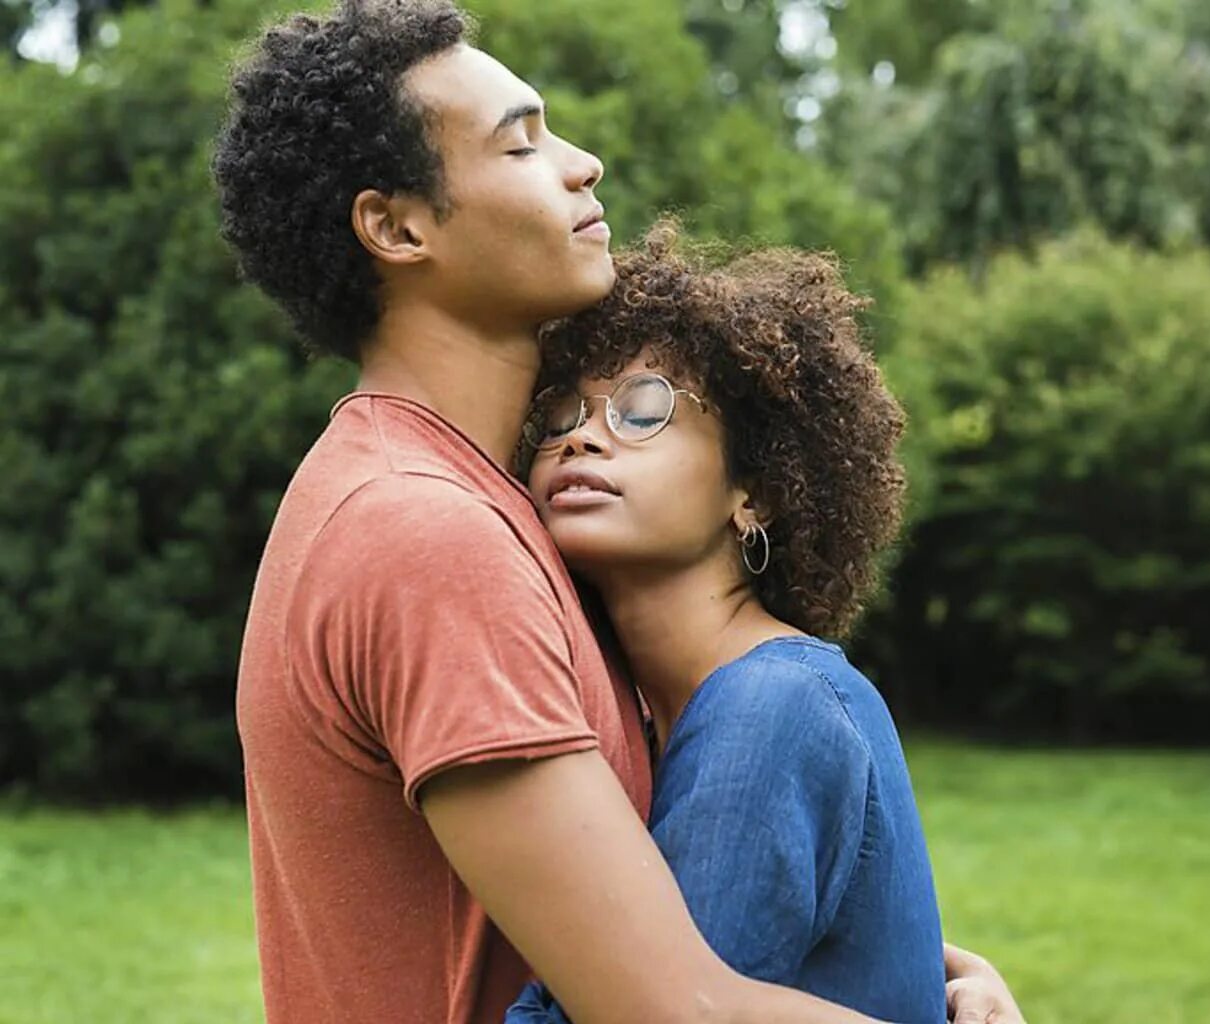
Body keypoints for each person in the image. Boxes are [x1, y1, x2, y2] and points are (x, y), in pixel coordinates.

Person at [215, 1, 1025, 1022]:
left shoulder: (476, 510)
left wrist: (905, 957)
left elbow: (650, 906)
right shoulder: (427, 534)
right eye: (522, 142)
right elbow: (673, 1008)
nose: (584, 162)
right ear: (397, 226)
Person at [505, 224, 945, 1022]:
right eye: (562, 414)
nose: (580, 436)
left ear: (756, 493)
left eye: (644, 411)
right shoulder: (657, 713)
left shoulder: (772, 707)